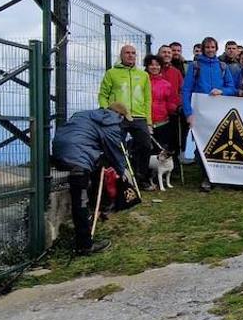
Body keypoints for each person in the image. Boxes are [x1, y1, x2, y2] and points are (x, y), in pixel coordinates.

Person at [51, 105, 129, 254]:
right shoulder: (111, 123)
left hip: (58, 152)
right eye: (124, 119)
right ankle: (84, 244)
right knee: (80, 200)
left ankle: (97, 210)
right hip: (78, 159)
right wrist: (122, 173)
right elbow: (115, 152)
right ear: (119, 115)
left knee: (96, 169)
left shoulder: (84, 113)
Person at [181, 36, 237, 190]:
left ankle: (218, 176)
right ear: (204, 49)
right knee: (201, 145)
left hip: (219, 113)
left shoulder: (223, 66)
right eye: (208, 47)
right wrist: (188, 112)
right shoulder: (195, 66)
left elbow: (232, 88)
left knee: (219, 143)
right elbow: (186, 90)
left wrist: (222, 91)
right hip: (199, 112)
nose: (210, 50)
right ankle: (206, 176)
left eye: (213, 47)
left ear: (216, 48)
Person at [98, 43, 152, 189]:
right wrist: (106, 112)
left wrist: (148, 120)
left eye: (133, 53)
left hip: (139, 117)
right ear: (121, 55)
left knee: (146, 146)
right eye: (127, 53)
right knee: (115, 147)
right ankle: (117, 179)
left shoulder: (143, 75)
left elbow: (148, 99)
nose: (130, 55)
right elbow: (103, 95)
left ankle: (142, 178)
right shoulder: (111, 73)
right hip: (118, 116)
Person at [145, 55, 179, 184]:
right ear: (147, 67)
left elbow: (172, 100)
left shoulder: (166, 84)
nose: (155, 67)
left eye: (157, 65)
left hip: (163, 120)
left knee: (162, 150)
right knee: (148, 151)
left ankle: (164, 176)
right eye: (152, 65)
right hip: (146, 120)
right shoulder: (143, 81)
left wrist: (175, 108)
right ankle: (147, 177)